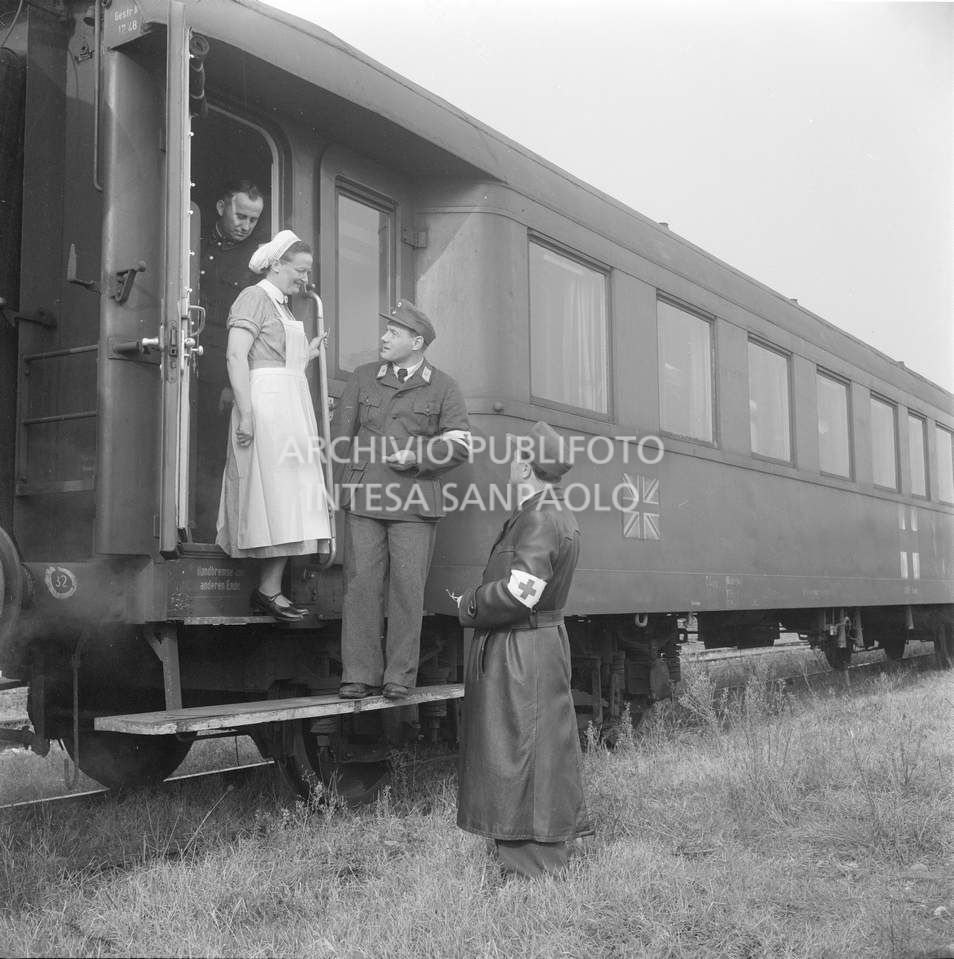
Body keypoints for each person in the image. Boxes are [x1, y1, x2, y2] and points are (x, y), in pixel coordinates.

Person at [455, 421, 592, 879]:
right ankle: (530, 856)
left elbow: (520, 594)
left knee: (521, 751)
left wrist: (470, 603)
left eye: (516, 455)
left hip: (523, 652)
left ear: (526, 465)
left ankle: (532, 865)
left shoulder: (538, 517)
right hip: (533, 647)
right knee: (531, 749)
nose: (510, 461)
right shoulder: (550, 512)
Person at [333, 301, 471, 700]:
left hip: (414, 503)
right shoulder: (362, 378)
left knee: (407, 592)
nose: (384, 337)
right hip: (365, 498)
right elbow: (340, 441)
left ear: (417, 342)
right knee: (360, 587)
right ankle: (358, 675)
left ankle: (399, 677)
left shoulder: (444, 387)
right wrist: (335, 493)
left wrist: (417, 458)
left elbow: (459, 447)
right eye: (386, 331)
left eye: (393, 333)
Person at [215, 229, 332, 621]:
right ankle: (267, 590)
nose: (305, 278)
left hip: (291, 403)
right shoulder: (254, 297)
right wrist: (246, 413)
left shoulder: (283, 306)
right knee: (271, 493)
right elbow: (236, 357)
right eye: (300, 270)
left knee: (289, 497)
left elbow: (281, 360)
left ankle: (270, 589)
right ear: (277, 264)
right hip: (265, 404)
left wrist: (308, 355)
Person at [193, 179, 267, 539]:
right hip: (185, 365)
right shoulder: (194, 242)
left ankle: (207, 532)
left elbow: (246, 334)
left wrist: (228, 385)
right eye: (241, 216)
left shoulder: (255, 262)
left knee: (209, 454)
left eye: (253, 220)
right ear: (222, 207)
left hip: (219, 373)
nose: (246, 226)